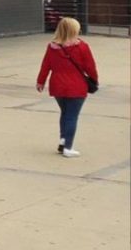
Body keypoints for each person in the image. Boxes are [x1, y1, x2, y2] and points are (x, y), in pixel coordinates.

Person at [37, 17, 98, 158]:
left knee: (65, 113)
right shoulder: (82, 47)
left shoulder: (52, 47)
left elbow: (45, 65)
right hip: (76, 86)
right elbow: (90, 66)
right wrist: (94, 79)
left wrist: (40, 81)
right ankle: (68, 147)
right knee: (72, 116)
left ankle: (63, 139)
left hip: (57, 85)